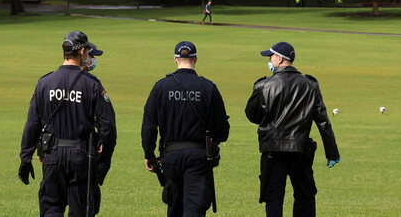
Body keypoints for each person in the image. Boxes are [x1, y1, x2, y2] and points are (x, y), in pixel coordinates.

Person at [20, 31, 117, 216]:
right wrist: (104, 158)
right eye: (88, 50)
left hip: (52, 155)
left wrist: (26, 157)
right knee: (80, 210)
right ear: (81, 52)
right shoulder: (91, 84)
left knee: (51, 208)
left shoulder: (44, 83)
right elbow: (108, 125)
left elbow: (32, 123)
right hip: (80, 156)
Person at [245, 42, 340, 217]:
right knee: (305, 196)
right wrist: (332, 152)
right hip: (300, 150)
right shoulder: (310, 85)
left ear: (280, 59)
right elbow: (323, 121)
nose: (270, 60)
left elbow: (252, 116)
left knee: (273, 199)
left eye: (271, 57)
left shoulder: (264, 85)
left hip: (272, 151)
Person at [141, 41, 230, 216]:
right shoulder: (208, 87)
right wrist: (216, 139)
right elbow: (222, 127)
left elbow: (149, 125)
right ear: (195, 58)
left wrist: (149, 154)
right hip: (198, 156)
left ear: (175, 60)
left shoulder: (161, 87)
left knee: (174, 206)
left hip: (171, 156)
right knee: (195, 208)